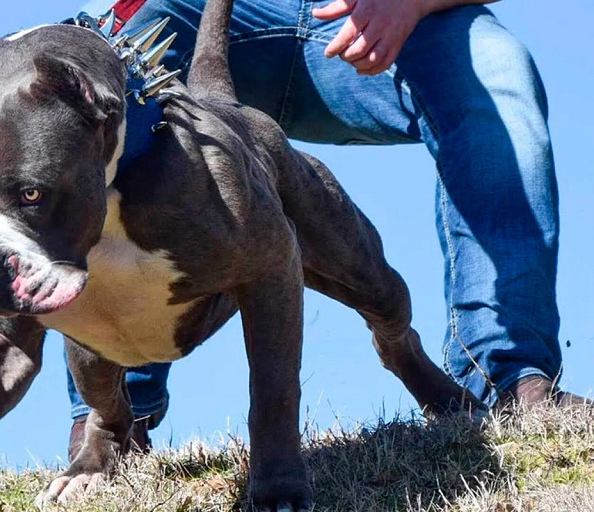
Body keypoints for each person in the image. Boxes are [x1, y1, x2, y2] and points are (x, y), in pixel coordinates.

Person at [66, 0, 588, 460]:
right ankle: (112, 414)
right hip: (202, 13)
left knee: (499, 69)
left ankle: (508, 375)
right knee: (108, 56)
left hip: (387, 18)